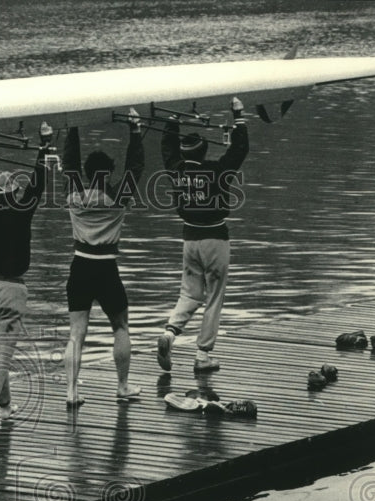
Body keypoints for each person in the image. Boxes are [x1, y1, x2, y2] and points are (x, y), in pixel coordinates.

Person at [0, 123, 54, 431]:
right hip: (12, 290)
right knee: (1, 356)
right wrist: (44, 147)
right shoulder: (20, 210)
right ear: (13, 193)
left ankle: (4, 407)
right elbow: (38, 183)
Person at [156, 98, 249, 373]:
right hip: (215, 239)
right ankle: (203, 354)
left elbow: (167, 147)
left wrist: (173, 119)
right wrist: (239, 116)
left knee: (190, 293)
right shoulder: (217, 170)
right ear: (205, 150)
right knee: (214, 296)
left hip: (189, 241)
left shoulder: (177, 169)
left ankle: (170, 333)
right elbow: (240, 149)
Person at [62, 108, 145, 406]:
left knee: (77, 333)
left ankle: (71, 392)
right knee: (120, 326)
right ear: (108, 174)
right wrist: (135, 131)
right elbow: (135, 168)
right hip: (107, 270)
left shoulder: (74, 194)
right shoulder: (118, 196)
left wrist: (73, 128)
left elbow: (68, 162)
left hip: (79, 267)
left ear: (86, 173)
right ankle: (122, 386)